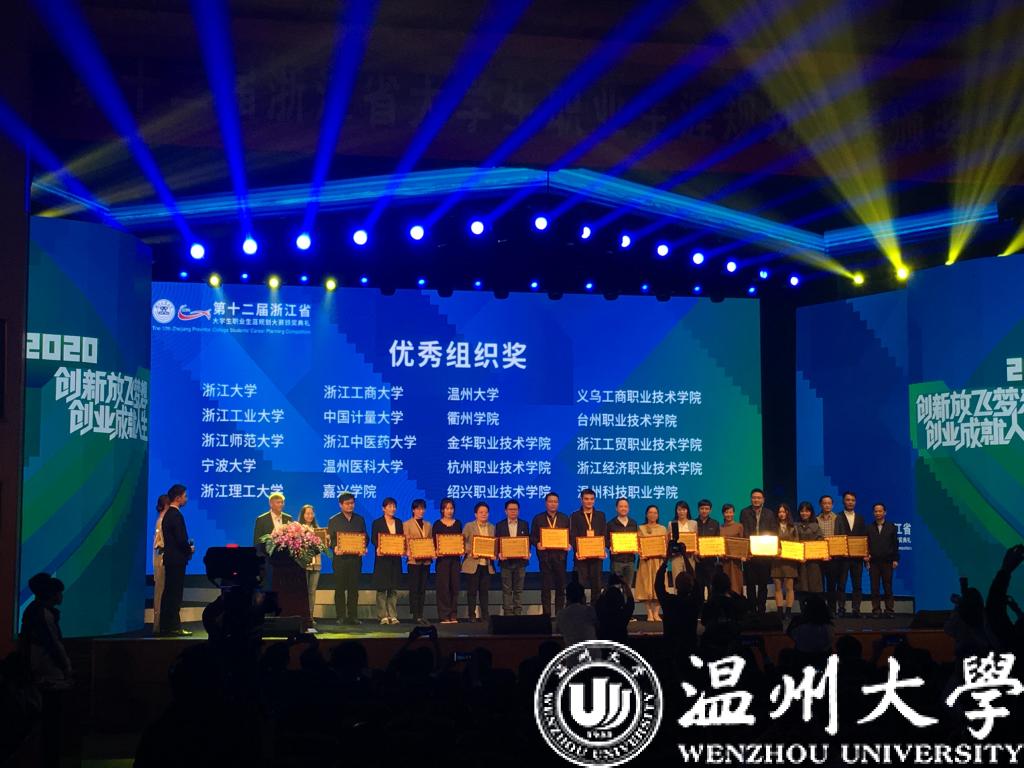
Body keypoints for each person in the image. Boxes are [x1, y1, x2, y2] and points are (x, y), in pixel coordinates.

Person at [19, 573, 72, 690]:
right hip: (47, 670)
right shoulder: (43, 614)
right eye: (59, 592)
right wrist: (65, 665)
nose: (61, 596)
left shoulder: (34, 610)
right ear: (51, 594)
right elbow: (53, 643)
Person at [327, 492, 367, 626]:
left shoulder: (360, 519)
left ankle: (353, 616)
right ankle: (340, 616)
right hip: (340, 560)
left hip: (355, 560)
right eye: (347, 503)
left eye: (352, 503)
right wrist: (334, 547)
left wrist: (364, 547)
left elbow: (365, 537)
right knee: (339, 588)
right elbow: (331, 539)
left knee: (353, 589)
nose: (350, 506)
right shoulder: (334, 520)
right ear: (340, 505)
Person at [160, 484, 193, 636]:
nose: (186, 499)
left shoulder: (168, 514)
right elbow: (180, 540)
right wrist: (189, 549)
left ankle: (166, 626)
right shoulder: (176, 515)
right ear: (178, 498)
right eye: (185, 496)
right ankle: (173, 626)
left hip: (171, 559)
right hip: (176, 560)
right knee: (174, 594)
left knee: (169, 593)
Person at [531, 492, 570, 619]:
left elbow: (569, 536)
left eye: (555, 502)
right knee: (545, 588)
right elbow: (532, 537)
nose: (553, 504)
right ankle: (546, 616)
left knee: (561, 587)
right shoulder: (538, 518)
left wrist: (568, 544)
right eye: (550, 501)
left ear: (558, 503)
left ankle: (560, 615)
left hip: (560, 558)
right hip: (545, 558)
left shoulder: (565, 518)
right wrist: (537, 543)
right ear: (546, 503)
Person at [740, 488, 776, 614]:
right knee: (750, 584)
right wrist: (746, 551)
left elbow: (773, 531)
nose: (756, 500)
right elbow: (743, 532)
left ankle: (761, 609)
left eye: (759, 498)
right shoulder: (744, 512)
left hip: (765, 554)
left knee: (763, 584)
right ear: (751, 499)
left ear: (763, 500)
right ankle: (752, 609)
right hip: (750, 554)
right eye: (754, 497)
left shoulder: (769, 513)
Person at [569, 489, 607, 604]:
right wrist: (577, 551)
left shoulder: (601, 515)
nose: (589, 501)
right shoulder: (575, 516)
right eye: (586, 499)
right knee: (580, 586)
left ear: (594, 500)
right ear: (581, 500)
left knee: (597, 586)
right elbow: (573, 535)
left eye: (591, 499)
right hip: (581, 557)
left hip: (597, 557)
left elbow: (604, 534)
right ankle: (582, 610)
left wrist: (603, 549)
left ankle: (596, 610)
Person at [834, 490, 867, 617]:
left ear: (855, 502)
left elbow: (864, 537)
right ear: (843, 501)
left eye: (853, 500)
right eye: (848, 500)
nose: (850, 502)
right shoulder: (838, 517)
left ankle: (856, 609)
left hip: (857, 557)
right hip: (842, 557)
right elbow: (836, 536)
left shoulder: (860, 518)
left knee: (857, 584)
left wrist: (865, 553)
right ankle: (841, 608)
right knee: (841, 584)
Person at [461, 502, 495, 622]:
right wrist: (471, 551)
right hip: (472, 564)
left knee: (484, 592)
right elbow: (462, 542)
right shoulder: (469, 526)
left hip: (486, 564)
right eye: (481, 512)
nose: (484, 514)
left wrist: (494, 553)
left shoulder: (492, 527)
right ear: (476, 514)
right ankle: (472, 615)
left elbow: (494, 544)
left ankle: (485, 615)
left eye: (486, 512)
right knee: (472, 591)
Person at [371, 497, 404, 625]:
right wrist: (379, 547)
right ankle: (382, 615)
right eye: (389, 506)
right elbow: (374, 539)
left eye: (394, 506)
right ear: (383, 508)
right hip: (382, 560)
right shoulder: (377, 522)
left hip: (395, 560)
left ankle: (393, 615)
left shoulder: (399, 522)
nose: (392, 509)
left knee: (393, 588)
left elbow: (401, 539)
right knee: (382, 588)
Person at [495, 499, 529, 616]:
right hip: (505, 563)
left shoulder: (524, 524)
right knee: (507, 590)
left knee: (519, 590)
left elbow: (527, 541)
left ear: (518, 511)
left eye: (515, 509)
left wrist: (527, 552)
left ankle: (518, 613)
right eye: (510, 509)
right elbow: (497, 543)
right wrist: (499, 554)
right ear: (506, 511)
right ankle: (508, 614)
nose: (513, 511)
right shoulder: (500, 525)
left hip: (521, 562)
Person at [865, 502, 899, 617]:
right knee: (874, 587)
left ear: (885, 512)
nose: (878, 513)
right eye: (876, 511)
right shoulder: (868, 527)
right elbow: (866, 545)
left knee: (888, 586)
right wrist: (866, 560)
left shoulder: (891, 527)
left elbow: (895, 544)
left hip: (887, 561)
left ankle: (889, 610)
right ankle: (876, 610)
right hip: (873, 562)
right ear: (873, 513)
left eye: (880, 511)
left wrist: (895, 559)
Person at [635, 504, 667, 621]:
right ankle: (649, 612)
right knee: (646, 586)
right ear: (646, 514)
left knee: (659, 586)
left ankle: (656, 612)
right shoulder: (641, 528)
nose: (652, 515)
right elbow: (637, 545)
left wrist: (664, 552)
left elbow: (666, 545)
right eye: (650, 512)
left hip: (659, 562)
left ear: (658, 515)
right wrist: (641, 552)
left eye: (655, 513)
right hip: (646, 562)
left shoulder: (663, 529)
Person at [433, 497, 462, 624]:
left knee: (455, 587)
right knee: (443, 587)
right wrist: (436, 551)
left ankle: (453, 614)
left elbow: (460, 540)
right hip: (442, 561)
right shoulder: (437, 524)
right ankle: (444, 615)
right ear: (442, 510)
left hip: (455, 560)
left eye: (451, 508)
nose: (449, 511)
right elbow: (434, 543)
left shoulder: (458, 523)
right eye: (447, 508)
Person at [403, 498, 432, 625]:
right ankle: (415, 615)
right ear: (413, 510)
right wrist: (408, 551)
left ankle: (421, 614)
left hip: (425, 561)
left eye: (423, 509)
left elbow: (430, 541)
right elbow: (405, 541)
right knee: (414, 589)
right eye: (418, 509)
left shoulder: (428, 525)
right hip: (413, 561)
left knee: (422, 589)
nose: (421, 511)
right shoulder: (407, 524)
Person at [771, 503, 799, 622]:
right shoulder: (773, 526)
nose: (781, 514)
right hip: (776, 560)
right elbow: (769, 542)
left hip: (789, 561)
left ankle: (788, 611)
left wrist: (787, 551)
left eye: (783, 511)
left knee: (789, 587)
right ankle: (779, 612)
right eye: (779, 512)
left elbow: (796, 543)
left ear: (787, 513)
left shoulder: (793, 527)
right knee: (777, 587)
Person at [297, 504, 322, 625]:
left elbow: (322, 547)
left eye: (312, 513)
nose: (310, 516)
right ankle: (302, 616)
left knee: (312, 591)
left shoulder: (318, 529)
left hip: (316, 563)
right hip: (303, 563)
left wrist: (325, 540)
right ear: (303, 515)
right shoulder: (297, 529)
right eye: (307, 513)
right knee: (303, 591)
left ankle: (310, 616)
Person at [606, 497, 638, 588]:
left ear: (628, 508)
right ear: (616, 508)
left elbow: (636, 539)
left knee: (628, 588)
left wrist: (636, 547)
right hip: (616, 561)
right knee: (615, 587)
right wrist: (610, 547)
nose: (623, 508)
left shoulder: (633, 523)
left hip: (630, 561)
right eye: (621, 506)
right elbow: (605, 540)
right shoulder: (611, 524)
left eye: (625, 506)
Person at [816, 494, 840, 614]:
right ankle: (820, 610)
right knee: (820, 585)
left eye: (829, 503)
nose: (827, 505)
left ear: (832, 505)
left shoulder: (838, 519)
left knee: (832, 585)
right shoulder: (816, 519)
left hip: (833, 557)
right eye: (824, 503)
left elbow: (840, 537)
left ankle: (832, 610)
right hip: (819, 557)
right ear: (820, 505)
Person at [556, 578, 598, 646]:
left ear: (567, 598)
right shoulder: (589, 611)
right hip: (592, 650)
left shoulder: (560, 614)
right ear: (583, 597)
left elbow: (558, 630)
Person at [595, 573, 635, 643]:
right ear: (621, 600)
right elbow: (630, 599)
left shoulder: (602, 613)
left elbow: (600, 600)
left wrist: (608, 585)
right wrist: (625, 584)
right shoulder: (623, 615)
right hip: (620, 644)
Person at [795, 501, 823, 595]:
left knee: (814, 586)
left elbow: (820, 542)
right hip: (800, 561)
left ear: (811, 512)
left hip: (813, 561)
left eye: (807, 511)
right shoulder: (795, 526)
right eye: (802, 511)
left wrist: (812, 553)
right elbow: (793, 543)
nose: (804, 513)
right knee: (801, 586)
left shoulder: (816, 526)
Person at [667, 500, 697, 590]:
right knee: (677, 581)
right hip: (676, 557)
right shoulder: (671, 524)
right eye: (679, 509)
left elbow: (696, 539)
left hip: (689, 557)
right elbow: (669, 540)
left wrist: (696, 550)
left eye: (684, 509)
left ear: (687, 510)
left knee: (690, 581)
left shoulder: (693, 523)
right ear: (676, 511)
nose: (681, 512)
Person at [694, 499, 720, 598]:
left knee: (711, 587)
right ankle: (699, 607)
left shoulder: (715, 523)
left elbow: (717, 541)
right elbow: (691, 541)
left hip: (711, 561)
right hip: (697, 561)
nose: (704, 511)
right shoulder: (693, 523)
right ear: (698, 509)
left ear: (710, 510)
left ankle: (711, 606)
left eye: (706, 508)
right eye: (702, 508)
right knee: (698, 587)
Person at [151, 494, 169, 635]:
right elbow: (159, 543)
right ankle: (157, 627)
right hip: (161, 561)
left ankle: (161, 625)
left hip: (162, 560)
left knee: (163, 593)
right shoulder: (162, 520)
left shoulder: (162, 519)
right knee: (160, 593)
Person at [718, 503, 745, 595]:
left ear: (734, 513)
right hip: (724, 561)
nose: (728, 514)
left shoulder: (739, 526)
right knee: (725, 583)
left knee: (736, 583)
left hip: (736, 561)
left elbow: (743, 543)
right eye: (726, 512)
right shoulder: (720, 528)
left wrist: (743, 555)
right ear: (723, 514)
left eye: (730, 512)